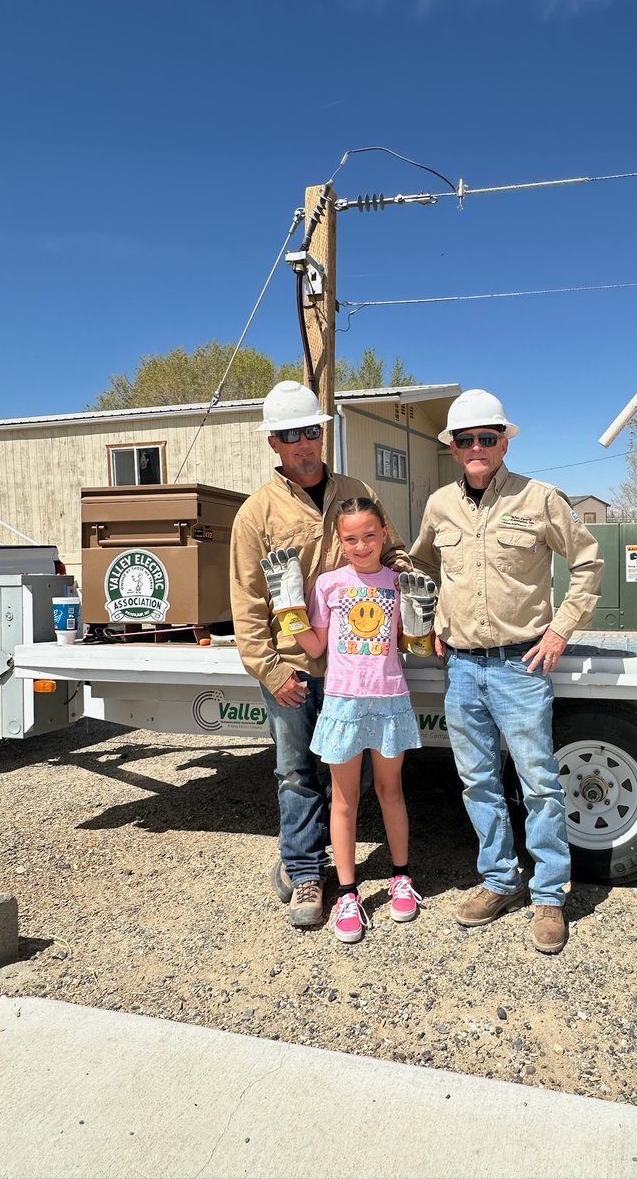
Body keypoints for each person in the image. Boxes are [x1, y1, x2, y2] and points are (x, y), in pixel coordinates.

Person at [410, 389, 603, 954]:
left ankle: (548, 895)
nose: (476, 447)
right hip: (462, 670)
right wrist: (430, 624)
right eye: (465, 439)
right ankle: (500, 881)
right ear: (451, 447)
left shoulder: (539, 499)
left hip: (522, 664)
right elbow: (419, 565)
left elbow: (588, 561)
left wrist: (561, 628)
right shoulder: (439, 504)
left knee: (539, 783)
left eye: (486, 438)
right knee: (477, 781)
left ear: (503, 441)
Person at [230, 381, 411, 929]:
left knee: (346, 781)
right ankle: (306, 871)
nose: (304, 443)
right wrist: (270, 666)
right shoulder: (256, 515)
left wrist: (408, 582)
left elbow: (393, 550)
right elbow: (246, 598)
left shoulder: (354, 490)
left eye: (311, 430)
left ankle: (348, 867)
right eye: (291, 435)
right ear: (274, 444)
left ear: (322, 432)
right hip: (295, 665)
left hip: (358, 670)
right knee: (294, 773)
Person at [278, 496, 429, 943]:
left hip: (389, 700)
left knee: (390, 791)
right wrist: (286, 604)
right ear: (339, 542)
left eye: (369, 536)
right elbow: (315, 646)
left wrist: (424, 620)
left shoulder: (397, 583)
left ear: (384, 534)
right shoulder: (328, 584)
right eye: (351, 539)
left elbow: (412, 644)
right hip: (343, 703)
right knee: (343, 800)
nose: (361, 545)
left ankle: (401, 877)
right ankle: (347, 893)